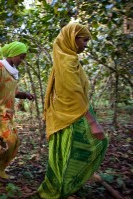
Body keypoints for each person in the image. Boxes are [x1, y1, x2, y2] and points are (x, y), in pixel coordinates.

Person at [37, 23, 108, 198]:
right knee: (78, 149)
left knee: (67, 151)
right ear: (72, 38)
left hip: (70, 113)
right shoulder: (67, 62)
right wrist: (93, 122)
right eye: (84, 40)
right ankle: (64, 187)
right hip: (71, 115)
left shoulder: (67, 60)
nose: (85, 45)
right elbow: (74, 93)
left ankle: (69, 183)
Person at [0, 41, 34, 181]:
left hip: (8, 113)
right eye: (20, 56)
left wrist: (25, 95)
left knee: (14, 142)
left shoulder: (12, 72)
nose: (21, 60)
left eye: (23, 57)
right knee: (9, 140)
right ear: (12, 54)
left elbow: (13, 91)